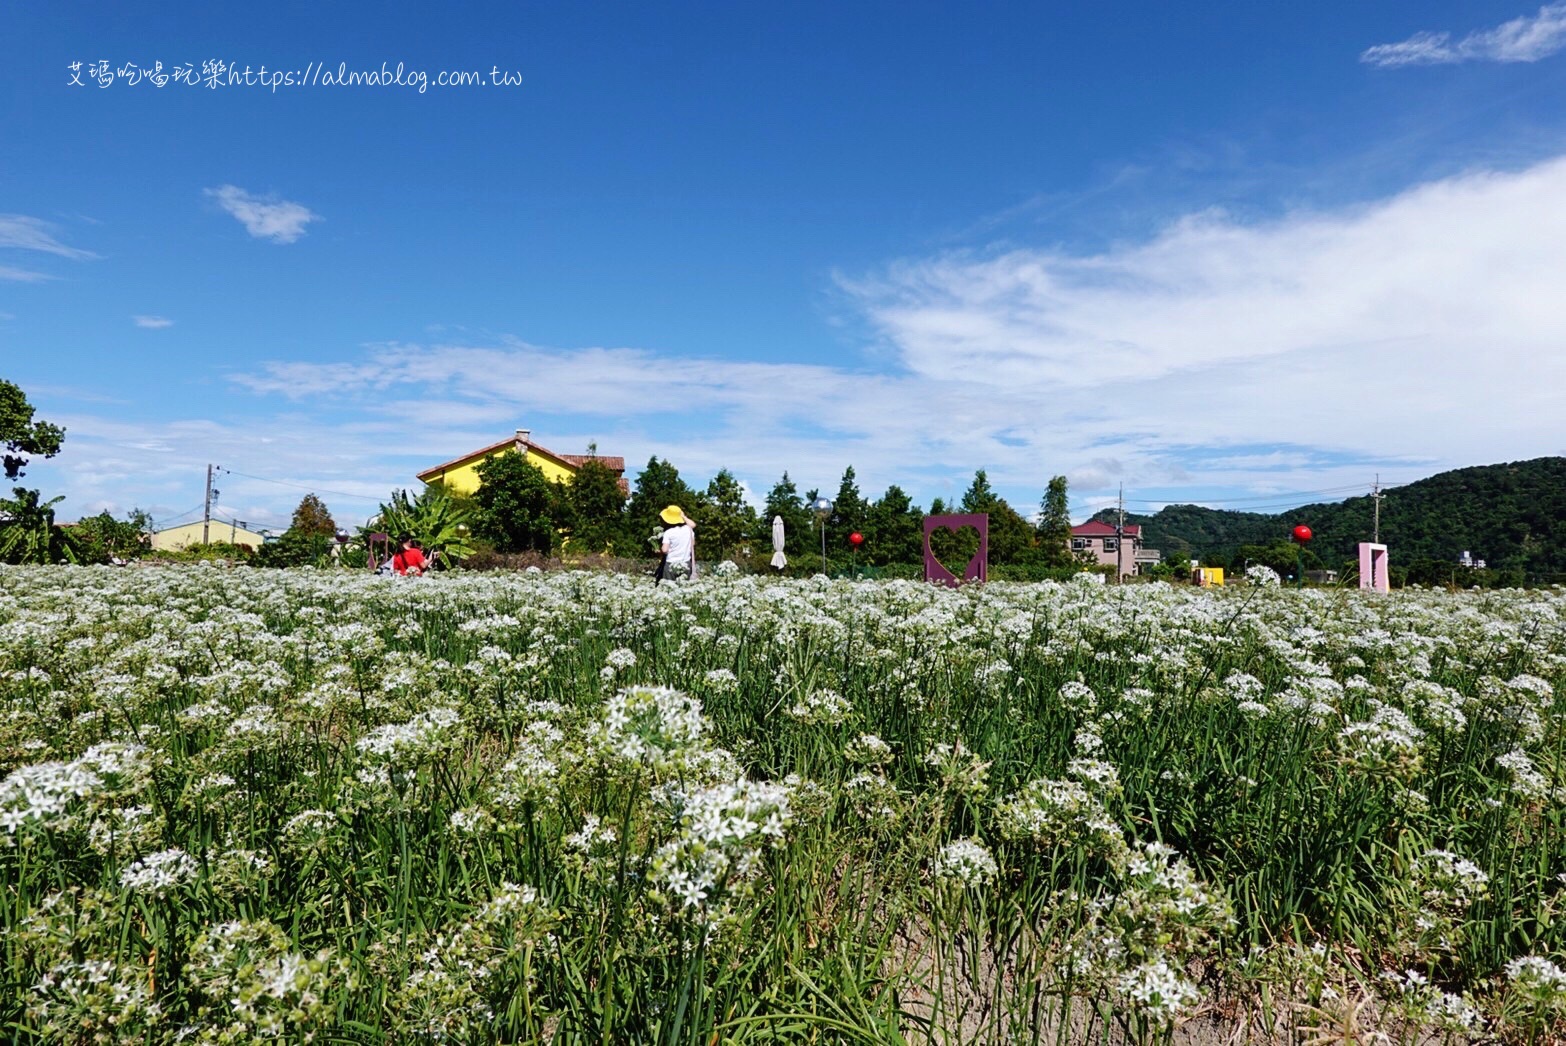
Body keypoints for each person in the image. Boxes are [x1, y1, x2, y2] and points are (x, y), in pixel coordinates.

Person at [658, 505, 696, 583]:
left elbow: (665, 550)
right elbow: (693, 543)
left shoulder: (668, 532)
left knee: (669, 587)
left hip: (671, 564)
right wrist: (684, 516)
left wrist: (658, 551)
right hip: (686, 563)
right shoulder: (689, 530)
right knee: (684, 588)